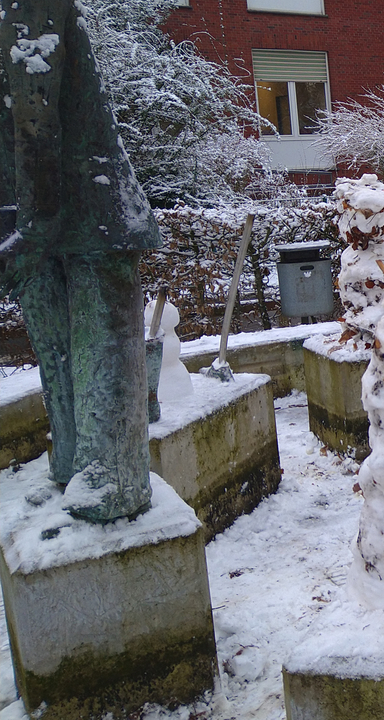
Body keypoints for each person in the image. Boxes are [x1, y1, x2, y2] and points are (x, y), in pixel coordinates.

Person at [1, 0, 161, 522]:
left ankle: (113, 477)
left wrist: (31, 230)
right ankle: (72, 462)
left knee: (100, 346)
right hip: (34, 213)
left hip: (89, 210)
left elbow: (35, 106)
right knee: (59, 351)